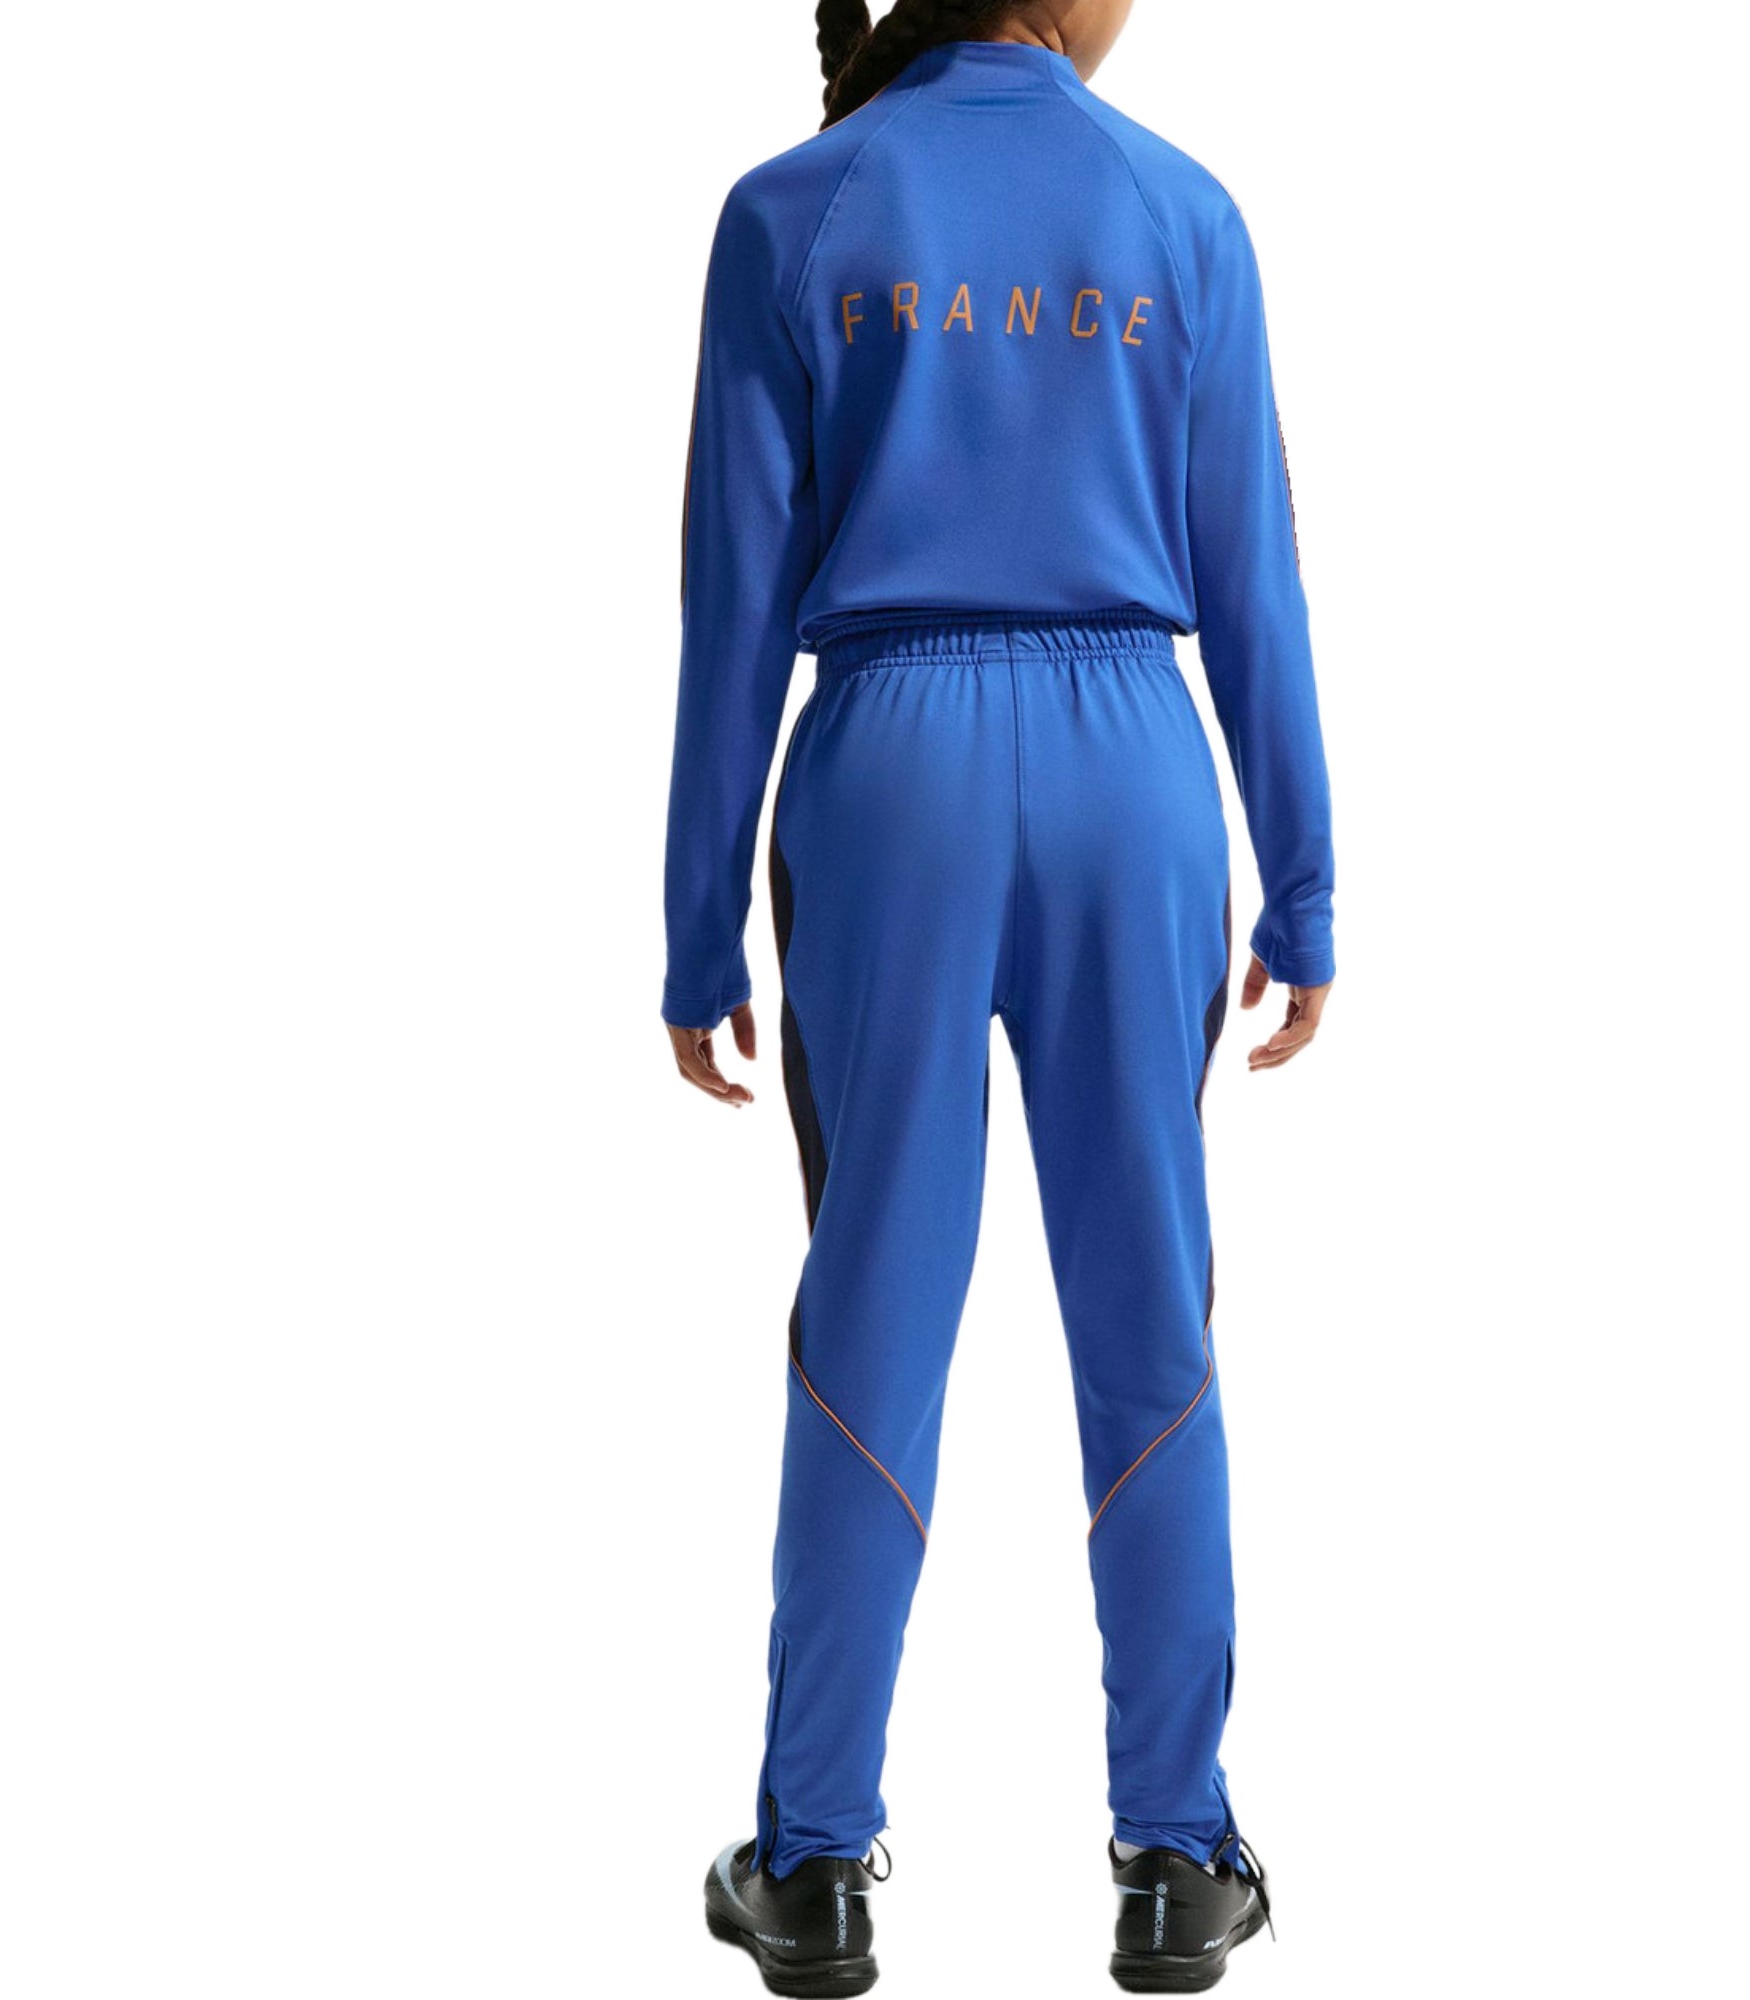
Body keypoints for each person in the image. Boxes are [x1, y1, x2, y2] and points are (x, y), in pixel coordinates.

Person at [664, 2, 1334, 1989]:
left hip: (889, 777)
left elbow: (731, 601)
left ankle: (813, 1864)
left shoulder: (795, 209)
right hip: (1136, 774)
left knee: (873, 1302)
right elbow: (1256, 575)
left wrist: (696, 924)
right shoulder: (1181, 214)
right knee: (1149, 1307)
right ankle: (1177, 1854)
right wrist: (1303, 877)